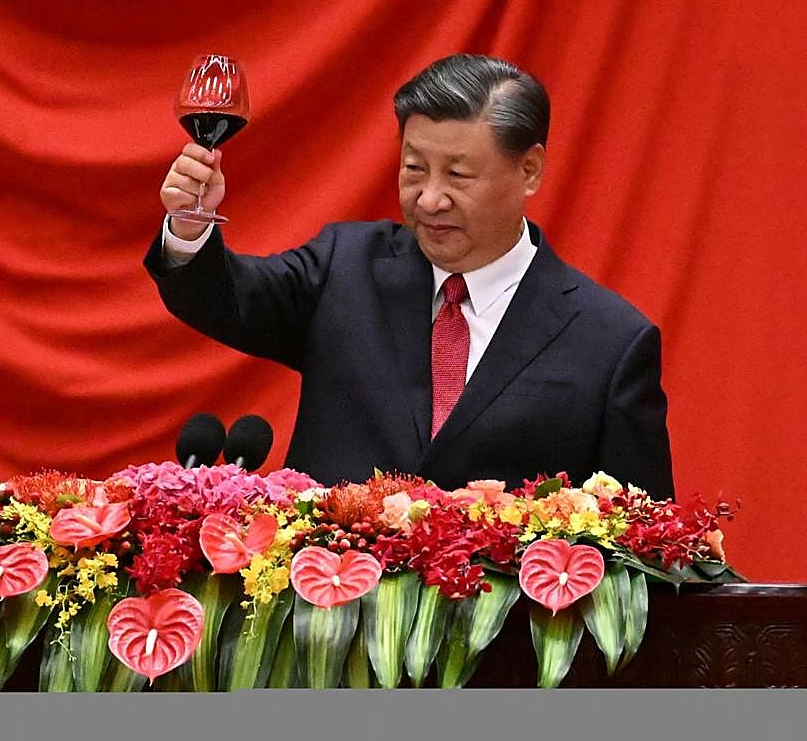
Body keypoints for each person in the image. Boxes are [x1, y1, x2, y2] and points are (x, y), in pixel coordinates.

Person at [144, 54, 675, 498]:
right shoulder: (344, 267)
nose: (429, 198)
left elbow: (644, 547)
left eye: (459, 175)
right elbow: (227, 299)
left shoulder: (609, 343)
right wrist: (190, 228)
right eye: (414, 169)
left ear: (529, 169)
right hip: (328, 610)